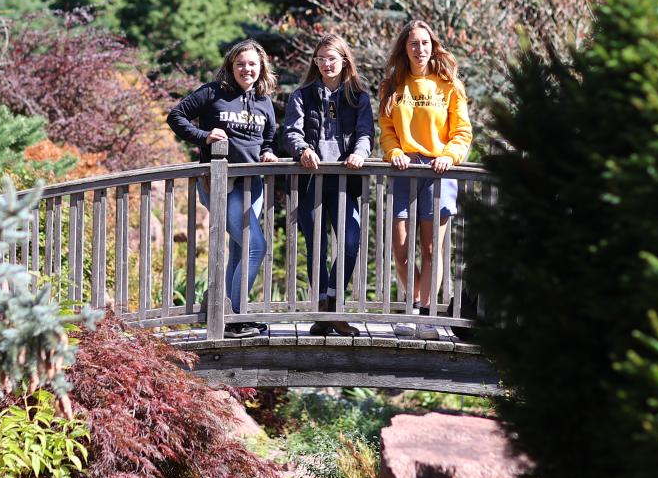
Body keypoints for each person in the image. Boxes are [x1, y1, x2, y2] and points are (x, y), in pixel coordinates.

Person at [167, 40, 280, 338]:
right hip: (222, 184)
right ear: (231, 66)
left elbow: (269, 137)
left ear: (261, 67)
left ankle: (228, 315)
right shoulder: (213, 92)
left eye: (253, 64)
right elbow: (175, 116)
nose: (247, 69)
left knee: (241, 248)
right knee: (256, 245)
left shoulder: (263, 99)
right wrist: (204, 135)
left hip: (253, 185)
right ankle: (236, 318)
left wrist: (268, 152)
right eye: (241, 64)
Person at [378, 20, 472, 341]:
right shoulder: (393, 85)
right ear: (405, 48)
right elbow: (387, 131)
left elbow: (462, 131)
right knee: (401, 250)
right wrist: (393, 153)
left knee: (432, 249)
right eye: (414, 44)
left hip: (438, 170)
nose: (420, 49)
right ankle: (414, 306)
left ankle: (427, 315)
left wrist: (450, 155)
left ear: (433, 47)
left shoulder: (449, 86)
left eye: (425, 43)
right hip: (404, 170)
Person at [282, 34, 374, 337]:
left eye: (331, 58)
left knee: (351, 241)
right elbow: (291, 132)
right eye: (320, 58)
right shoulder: (302, 95)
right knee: (316, 246)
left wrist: (360, 154)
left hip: (345, 180)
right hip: (312, 180)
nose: (326, 64)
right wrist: (302, 150)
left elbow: (365, 134)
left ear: (344, 60)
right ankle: (324, 308)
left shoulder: (358, 96)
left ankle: (333, 303)